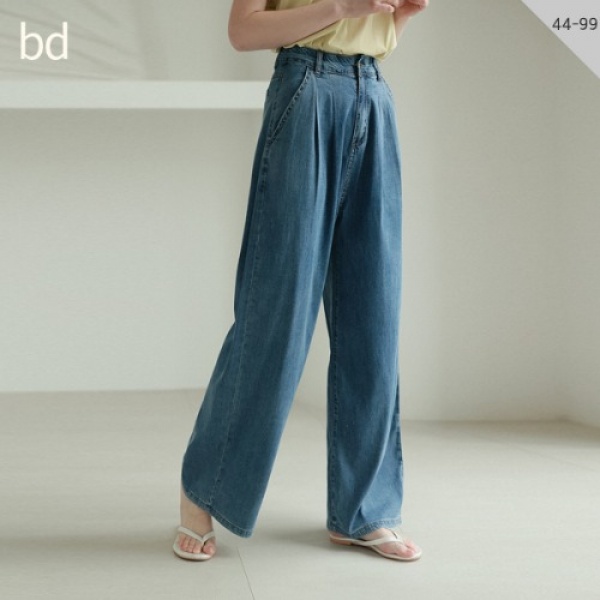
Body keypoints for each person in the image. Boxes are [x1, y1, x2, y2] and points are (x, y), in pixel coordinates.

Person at [173, 0, 428, 562]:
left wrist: (402, 14)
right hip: (305, 89)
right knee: (276, 314)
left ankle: (364, 509)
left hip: (373, 95)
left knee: (374, 316)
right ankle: (203, 490)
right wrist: (343, 5)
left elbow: (372, 37)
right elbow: (243, 30)